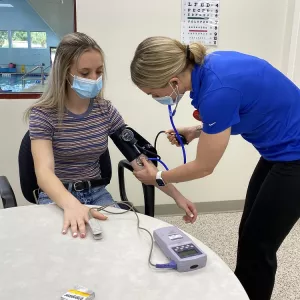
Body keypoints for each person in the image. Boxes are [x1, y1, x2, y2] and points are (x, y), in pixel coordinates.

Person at [130, 36, 300, 300]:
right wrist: (198, 131)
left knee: (259, 245)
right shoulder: (212, 66)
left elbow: (204, 166)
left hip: (295, 158)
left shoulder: (217, 90)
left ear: (173, 82)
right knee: (249, 234)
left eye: (154, 94)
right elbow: (244, 111)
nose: (155, 98)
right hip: (278, 152)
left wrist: (159, 177)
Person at [24, 32, 197, 240]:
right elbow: (44, 173)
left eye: (99, 72)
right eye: (85, 73)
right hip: (57, 197)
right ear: (64, 73)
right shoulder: (43, 114)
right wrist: (71, 204)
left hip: (96, 193)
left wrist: (177, 196)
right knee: (63, 246)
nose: (94, 79)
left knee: (117, 245)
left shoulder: (105, 110)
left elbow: (140, 161)